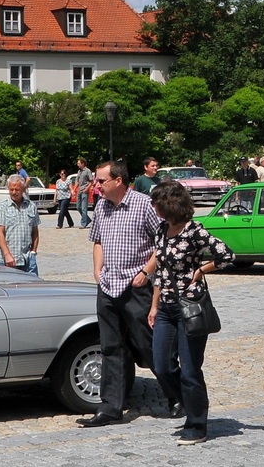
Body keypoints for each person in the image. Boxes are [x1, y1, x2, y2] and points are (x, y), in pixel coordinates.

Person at [142, 180, 233, 445]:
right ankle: (189, 403)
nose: (154, 207)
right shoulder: (161, 230)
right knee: (161, 365)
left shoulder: (194, 231)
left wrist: (201, 270)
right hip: (165, 309)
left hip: (189, 307)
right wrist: (154, 306)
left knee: (190, 370)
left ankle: (197, 424)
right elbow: (160, 272)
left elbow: (226, 255)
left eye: (157, 203)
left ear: (169, 204)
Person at [77, 159, 163, 428]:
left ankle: (176, 393)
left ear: (118, 180)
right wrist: (97, 270)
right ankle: (110, 408)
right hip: (108, 286)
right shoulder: (102, 206)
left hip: (136, 286)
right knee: (111, 347)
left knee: (147, 344)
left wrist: (146, 272)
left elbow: (163, 242)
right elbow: (98, 241)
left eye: (101, 181)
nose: (96, 185)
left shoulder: (144, 204)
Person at [0, 174, 41, 276]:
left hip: (27, 259)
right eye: (11, 189)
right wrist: (7, 255)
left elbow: (35, 232)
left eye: (17, 189)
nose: (14, 192)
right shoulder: (3, 206)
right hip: (7, 260)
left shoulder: (31, 206)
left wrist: (33, 252)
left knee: (32, 285)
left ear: (23, 188)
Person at [72, 158, 94, 226]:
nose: (77, 164)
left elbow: (91, 182)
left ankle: (83, 223)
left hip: (85, 190)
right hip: (79, 190)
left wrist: (87, 189)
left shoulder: (88, 171)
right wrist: (74, 189)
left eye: (79, 163)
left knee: (84, 208)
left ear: (83, 164)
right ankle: (87, 219)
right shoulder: (79, 171)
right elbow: (77, 181)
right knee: (78, 207)